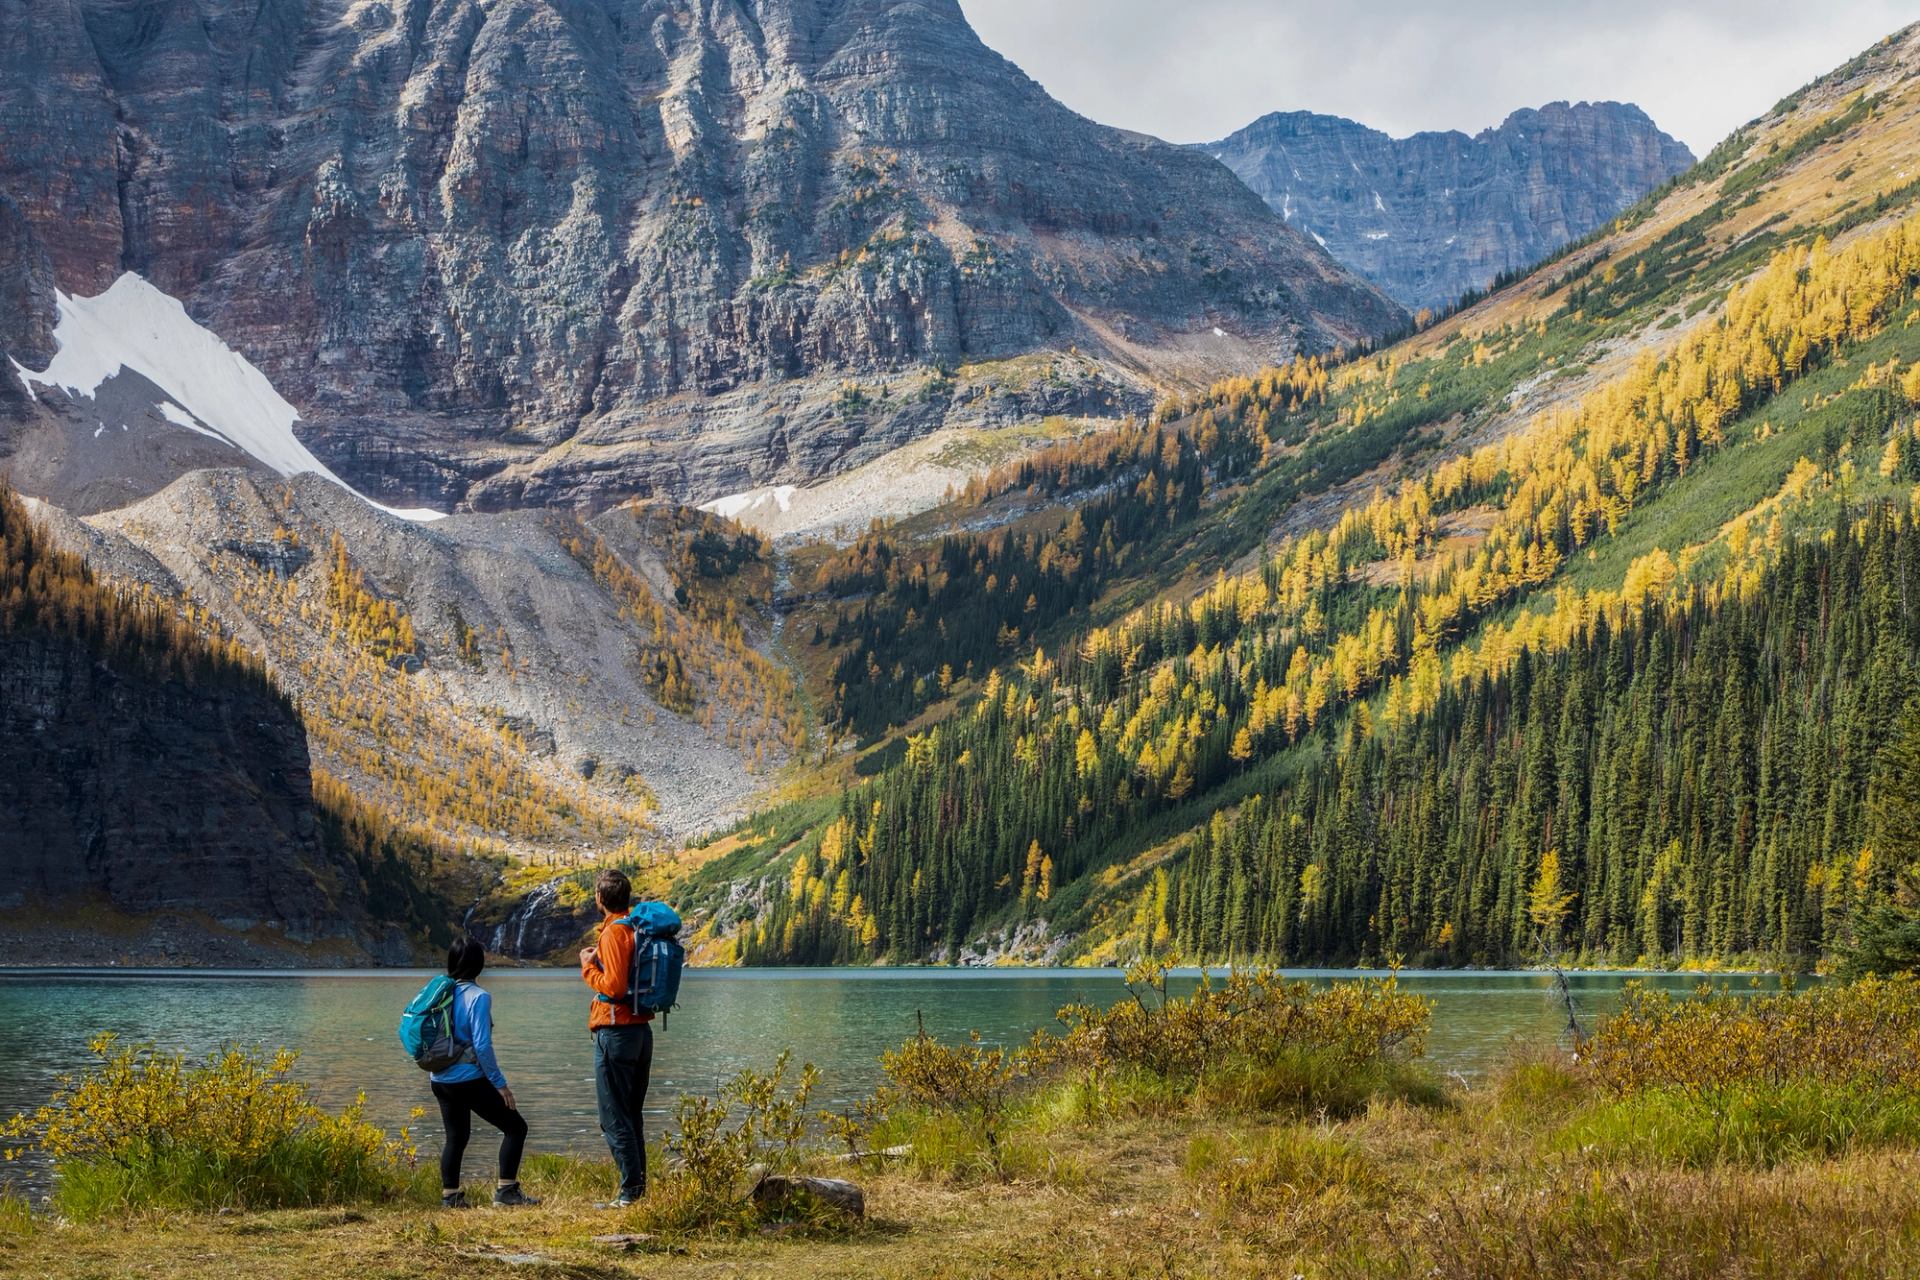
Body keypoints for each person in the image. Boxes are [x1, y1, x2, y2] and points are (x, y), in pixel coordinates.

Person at [431, 936, 539, 1209]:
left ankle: (450, 1197)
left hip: (439, 1077)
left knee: (456, 1137)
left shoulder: (439, 993)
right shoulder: (479, 997)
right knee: (516, 1127)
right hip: (468, 1079)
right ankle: (506, 1192)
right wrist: (500, 1084)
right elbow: (482, 1045)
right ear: (479, 965)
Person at [579, 868, 653, 1207]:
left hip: (616, 1031)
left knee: (613, 1116)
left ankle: (628, 1193)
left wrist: (587, 968)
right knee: (631, 1113)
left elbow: (614, 987)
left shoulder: (612, 934)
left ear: (599, 899)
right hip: (640, 1030)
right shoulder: (636, 928)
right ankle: (637, 1190)